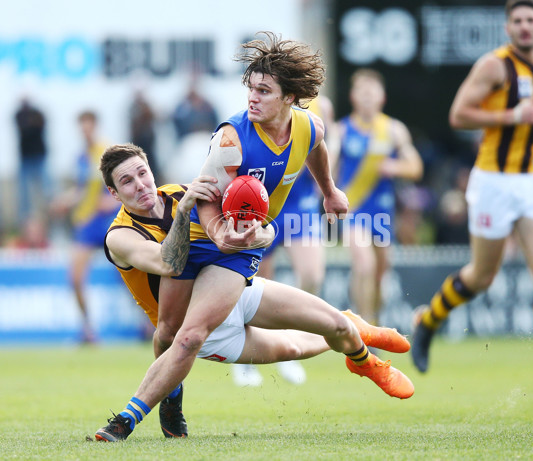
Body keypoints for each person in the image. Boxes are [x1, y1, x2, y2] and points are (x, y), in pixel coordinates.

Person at [94, 32, 414, 442]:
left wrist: (330, 190)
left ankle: (359, 348)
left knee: (193, 336)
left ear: (289, 98)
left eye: (264, 90)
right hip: (207, 243)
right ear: (113, 193)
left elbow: (316, 146)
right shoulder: (229, 141)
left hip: (230, 256)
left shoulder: (309, 126)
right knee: (174, 335)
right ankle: (148, 412)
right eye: (251, 88)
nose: (253, 97)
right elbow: (190, 226)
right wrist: (218, 231)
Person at [411, 0, 533, 391]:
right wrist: (509, 117)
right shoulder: (493, 65)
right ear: (508, 28)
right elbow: (459, 115)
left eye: (530, 20)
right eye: (517, 20)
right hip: (494, 181)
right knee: (482, 276)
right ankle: (428, 323)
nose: (524, 26)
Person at [232, 95, 335, 387]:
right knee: (260, 284)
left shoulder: (320, 108)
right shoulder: (265, 104)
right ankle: (249, 359)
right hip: (264, 199)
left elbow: (328, 146)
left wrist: (328, 187)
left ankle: (291, 346)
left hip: (299, 201)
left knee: (312, 274)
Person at [335, 69, 423, 326]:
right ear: (353, 97)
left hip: (382, 214)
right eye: (362, 93)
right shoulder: (341, 131)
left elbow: (415, 168)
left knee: (379, 274)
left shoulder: (394, 130)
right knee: (364, 264)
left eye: (371, 93)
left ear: (381, 97)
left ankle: (371, 320)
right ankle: (364, 331)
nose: (367, 99)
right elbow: (329, 169)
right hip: (353, 210)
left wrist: (393, 167)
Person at [52, 111, 121, 343]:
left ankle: (148, 322)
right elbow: (82, 191)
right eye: (82, 127)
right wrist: (65, 201)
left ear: (95, 126)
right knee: (75, 277)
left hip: (108, 220)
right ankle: (88, 328)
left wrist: (113, 200)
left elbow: (123, 183)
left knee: (129, 272)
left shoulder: (108, 152)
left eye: (88, 126)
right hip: (87, 221)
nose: (85, 131)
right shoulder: (81, 158)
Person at [14, 97, 50, 225]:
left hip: (39, 156)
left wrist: (31, 126)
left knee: (46, 190)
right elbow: (26, 129)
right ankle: (23, 223)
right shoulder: (18, 114)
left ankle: (50, 217)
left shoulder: (38, 113)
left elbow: (38, 127)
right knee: (24, 195)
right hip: (25, 157)